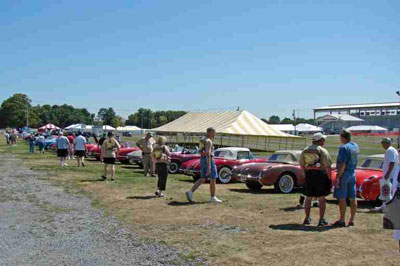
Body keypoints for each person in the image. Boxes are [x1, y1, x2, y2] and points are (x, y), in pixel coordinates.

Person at [299, 133, 332, 226]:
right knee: (321, 198)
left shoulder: (305, 150)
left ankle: (307, 218)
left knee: (308, 198)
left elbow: (301, 165)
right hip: (320, 176)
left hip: (309, 175)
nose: (324, 141)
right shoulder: (323, 151)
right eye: (323, 140)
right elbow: (328, 166)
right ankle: (321, 219)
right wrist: (330, 178)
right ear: (320, 140)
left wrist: (305, 176)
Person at [186, 127, 222, 203]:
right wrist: (209, 166)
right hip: (209, 160)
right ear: (210, 132)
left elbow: (201, 152)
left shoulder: (202, 140)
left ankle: (191, 192)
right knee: (213, 178)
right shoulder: (209, 141)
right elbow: (208, 154)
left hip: (202, 159)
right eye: (214, 132)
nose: (215, 134)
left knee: (202, 178)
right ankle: (213, 197)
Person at [332, 129, 360, 227]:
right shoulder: (355, 146)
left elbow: (342, 163)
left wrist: (338, 177)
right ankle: (352, 219)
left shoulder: (343, 148)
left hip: (344, 173)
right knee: (352, 197)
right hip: (352, 173)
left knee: (342, 197)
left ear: (343, 137)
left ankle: (342, 219)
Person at [374, 138, 399, 212]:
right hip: (391, 174)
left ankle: (387, 207)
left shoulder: (390, 151)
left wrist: (387, 174)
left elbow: (392, 162)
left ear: (386, 143)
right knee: (386, 191)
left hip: (390, 175)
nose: (382, 145)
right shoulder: (392, 150)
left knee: (388, 191)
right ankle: (384, 206)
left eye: (383, 143)